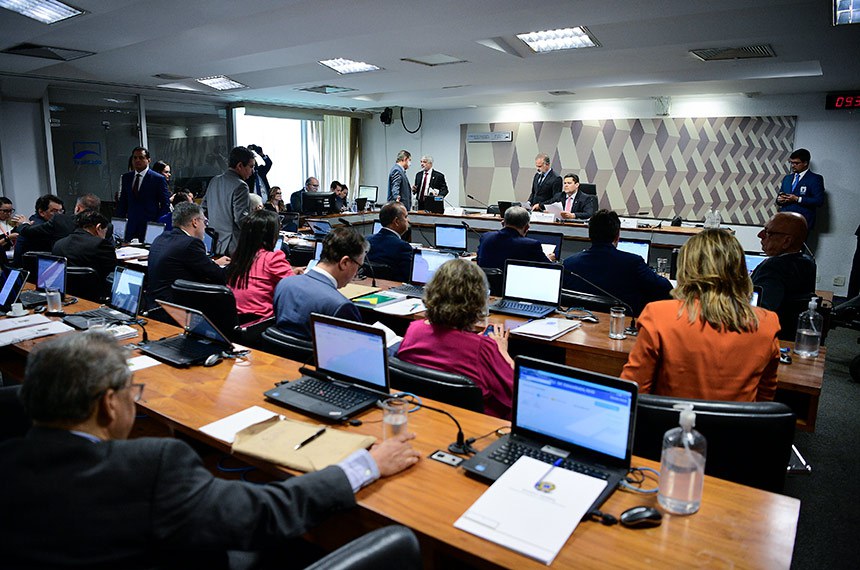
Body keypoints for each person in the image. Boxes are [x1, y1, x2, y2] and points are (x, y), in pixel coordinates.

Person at [0, 332, 419, 569]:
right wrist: (365, 465)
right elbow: (265, 514)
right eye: (132, 393)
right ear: (108, 404)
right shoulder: (151, 467)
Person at [620, 229, 780, 402]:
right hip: (737, 429)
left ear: (687, 268)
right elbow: (765, 402)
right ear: (739, 270)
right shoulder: (767, 323)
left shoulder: (658, 315)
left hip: (671, 426)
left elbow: (634, 391)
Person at [397, 259, 515, 419]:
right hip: (480, 426)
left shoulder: (414, 330)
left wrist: (475, 343)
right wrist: (503, 353)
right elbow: (518, 393)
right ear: (478, 301)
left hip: (426, 416)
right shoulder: (484, 348)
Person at [562, 209, 672, 316]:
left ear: (590, 234)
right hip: (621, 326)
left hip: (581, 325)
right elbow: (666, 289)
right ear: (617, 236)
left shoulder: (569, 264)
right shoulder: (632, 263)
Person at [274, 227, 367, 339]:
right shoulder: (342, 306)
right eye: (358, 265)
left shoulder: (284, 284)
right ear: (345, 263)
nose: (357, 273)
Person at [146, 202, 230, 308]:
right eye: (205, 222)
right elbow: (219, 275)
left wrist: (212, 263)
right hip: (174, 309)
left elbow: (182, 264)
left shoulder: (161, 238)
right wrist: (238, 263)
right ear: (195, 222)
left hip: (154, 304)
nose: (205, 227)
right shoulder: (191, 244)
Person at [752, 212, 817, 340]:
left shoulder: (772, 268)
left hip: (765, 337)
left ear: (786, 241)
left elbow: (760, 312)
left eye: (768, 232)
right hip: (790, 334)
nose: (760, 235)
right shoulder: (807, 262)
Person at [227, 210, 296, 319]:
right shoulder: (273, 259)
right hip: (261, 324)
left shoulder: (239, 257)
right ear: (271, 235)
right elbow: (295, 288)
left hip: (236, 323)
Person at [202, 145, 253, 256]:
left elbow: (203, 210)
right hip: (233, 246)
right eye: (251, 166)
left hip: (213, 243)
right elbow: (241, 220)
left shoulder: (214, 180)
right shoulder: (241, 186)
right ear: (240, 165)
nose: (252, 171)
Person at [115, 147, 170, 242]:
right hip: (131, 225)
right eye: (135, 158)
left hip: (150, 225)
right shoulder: (126, 178)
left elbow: (165, 204)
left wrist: (156, 223)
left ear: (148, 160)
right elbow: (123, 202)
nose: (137, 160)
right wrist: (118, 223)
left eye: (141, 158)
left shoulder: (158, 179)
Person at [52, 210, 117, 290]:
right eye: (105, 232)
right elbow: (113, 270)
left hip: (65, 293)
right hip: (95, 295)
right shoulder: (101, 244)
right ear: (98, 227)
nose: (104, 236)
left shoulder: (58, 244)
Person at [476, 206, 555, 270]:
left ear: (503, 223)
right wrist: (549, 259)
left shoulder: (486, 237)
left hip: (486, 286)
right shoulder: (531, 245)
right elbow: (549, 268)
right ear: (527, 227)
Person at [776, 148, 825, 231]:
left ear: (805, 163)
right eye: (791, 162)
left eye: (796, 163)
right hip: (784, 221)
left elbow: (819, 201)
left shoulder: (815, 179)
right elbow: (779, 197)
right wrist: (780, 199)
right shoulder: (787, 178)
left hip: (802, 222)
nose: (792, 165)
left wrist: (797, 199)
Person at [366, 202, 413, 282]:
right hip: (394, 290)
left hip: (367, 287)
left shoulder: (366, 240)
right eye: (405, 217)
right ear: (396, 221)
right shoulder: (403, 247)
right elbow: (408, 277)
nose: (408, 220)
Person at [0, 197, 26, 263]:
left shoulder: (12, 222)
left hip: (14, 256)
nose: (9, 214)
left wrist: (23, 225)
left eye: (11, 211)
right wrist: (8, 238)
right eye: (5, 211)